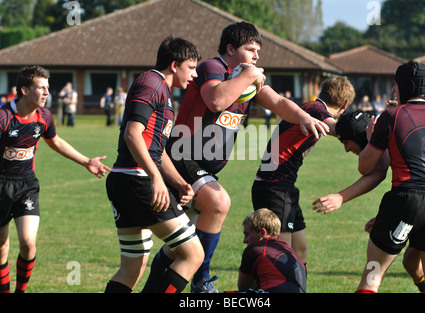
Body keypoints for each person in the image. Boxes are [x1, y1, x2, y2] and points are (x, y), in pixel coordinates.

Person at [141, 21, 330, 293]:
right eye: (250, 49)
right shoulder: (212, 67)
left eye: (257, 51)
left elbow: (278, 103)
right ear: (230, 49)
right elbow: (216, 101)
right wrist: (248, 76)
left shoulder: (247, 79)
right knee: (219, 202)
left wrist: (303, 116)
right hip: (182, 155)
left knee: (181, 246)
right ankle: (201, 281)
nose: (256, 56)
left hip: (204, 168)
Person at [105, 37, 204, 293]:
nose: (194, 75)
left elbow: (156, 151)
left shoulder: (160, 88)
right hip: (137, 180)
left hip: (126, 179)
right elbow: (132, 134)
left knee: (132, 268)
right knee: (192, 255)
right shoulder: (152, 83)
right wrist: (156, 178)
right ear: (174, 64)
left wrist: (179, 182)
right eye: (191, 67)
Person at [0, 66, 110, 293]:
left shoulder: (45, 116)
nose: (46, 92)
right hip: (1, 186)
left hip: (26, 185)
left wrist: (86, 161)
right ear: (24, 90)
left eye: (47, 88)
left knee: (28, 243)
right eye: (41, 87)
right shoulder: (3, 118)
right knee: (1, 249)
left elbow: (56, 142)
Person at [356, 61, 425, 293]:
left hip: (405, 200)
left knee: (371, 279)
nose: (393, 91)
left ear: (403, 87)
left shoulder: (391, 117)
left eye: (395, 86)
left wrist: (371, 138)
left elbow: (365, 167)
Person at [252, 76, 355, 268]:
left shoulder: (311, 109)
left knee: (300, 252)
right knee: (279, 256)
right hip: (273, 186)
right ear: (345, 104)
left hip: (284, 186)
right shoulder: (315, 109)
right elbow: (336, 129)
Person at [238, 208, 306, 293]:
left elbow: (243, 287)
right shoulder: (292, 253)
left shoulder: (256, 249)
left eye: (247, 234)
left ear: (262, 232)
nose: (245, 240)